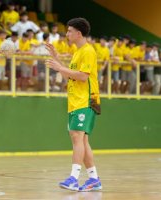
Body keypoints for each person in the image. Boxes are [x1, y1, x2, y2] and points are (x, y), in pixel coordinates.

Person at [45, 18, 102, 192]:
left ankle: (73, 178)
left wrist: (59, 67)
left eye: (69, 31)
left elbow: (83, 76)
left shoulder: (88, 51)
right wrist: (57, 60)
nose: (67, 34)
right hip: (75, 100)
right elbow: (71, 76)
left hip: (86, 99)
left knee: (77, 136)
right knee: (82, 140)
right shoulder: (77, 53)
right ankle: (94, 179)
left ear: (78, 33)